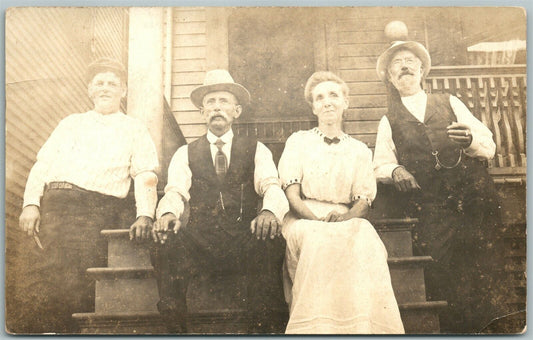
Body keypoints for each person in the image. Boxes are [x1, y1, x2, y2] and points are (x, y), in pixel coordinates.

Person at [373, 40, 514, 333]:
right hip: (432, 205)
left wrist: (471, 141)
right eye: (397, 64)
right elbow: (380, 164)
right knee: (443, 272)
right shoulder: (388, 120)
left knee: (485, 267)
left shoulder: (449, 102)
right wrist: (396, 169)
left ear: (422, 70)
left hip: (473, 198)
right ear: (390, 77)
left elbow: (488, 145)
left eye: (410, 61)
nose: (405, 66)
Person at [16, 58, 159, 333]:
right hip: (56, 204)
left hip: (96, 207)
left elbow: (144, 174)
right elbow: (42, 165)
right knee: (44, 275)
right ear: (90, 90)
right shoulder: (71, 123)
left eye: (112, 83)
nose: (105, 88)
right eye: (99, 83)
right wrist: (31, 203)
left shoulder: (134, 128)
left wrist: (145, 214)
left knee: (78, 278)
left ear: (123, 91)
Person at [153, 69, 289, 333]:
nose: (217, 108)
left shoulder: (256, 149)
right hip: (200, 243)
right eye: (210, 102)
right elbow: (176, 191)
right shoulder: (186, 153)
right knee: (164, 240)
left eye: (223, 101)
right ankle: (175, 326)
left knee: (271, 238)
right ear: (202, 112)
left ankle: (263, 328)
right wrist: (168, 214)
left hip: (242, 241)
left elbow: (271, 185)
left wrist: (269, 211)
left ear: (236, 111)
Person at [277, 71, 404, 334]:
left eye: (334, 95)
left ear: (345, 102)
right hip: (305, 217)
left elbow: (363, 201)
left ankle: (362, 327)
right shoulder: (299, 141)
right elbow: (292, 196)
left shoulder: (358, 149)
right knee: (317, 238)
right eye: (319, 98)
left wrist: (345, 219)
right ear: (313, 107)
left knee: (366, 236)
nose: (327, 102)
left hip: (346, 217)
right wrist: (318, 220)